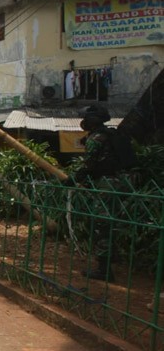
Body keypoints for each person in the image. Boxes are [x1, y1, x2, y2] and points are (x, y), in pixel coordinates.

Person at [74, 105, 122, 282]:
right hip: (122, 183)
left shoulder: (96, 138)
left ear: (92, 120)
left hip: (108, 184)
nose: (83, 122)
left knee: (102, 223)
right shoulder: (111, 135)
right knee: (115, 222)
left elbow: (89, 165)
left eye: (86, 119)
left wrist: (75, 179)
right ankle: (113, 261)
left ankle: (104, 269)